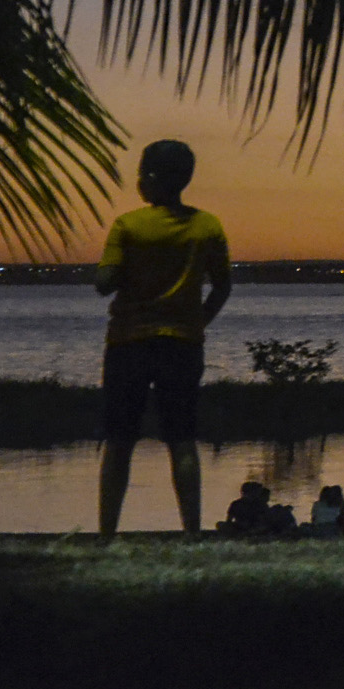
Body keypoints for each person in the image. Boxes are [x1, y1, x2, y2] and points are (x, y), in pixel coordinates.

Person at [91, 137, 230, 536]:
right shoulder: (207, 226)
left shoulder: (128, 225)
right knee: (182, 439)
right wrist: (198, 322)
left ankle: (106, 534)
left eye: (140, 173)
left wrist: (114, 270)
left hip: (128, 341)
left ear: (151, 177)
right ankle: (191, 531)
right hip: (183, 343)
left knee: (119, 441)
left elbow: (104, 283)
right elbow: (221, 287)